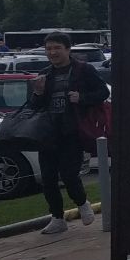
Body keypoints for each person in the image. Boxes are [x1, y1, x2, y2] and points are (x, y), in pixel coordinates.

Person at [28, 31, 109, 235]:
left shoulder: (83, 70)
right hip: (48, 133)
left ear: (68, 49)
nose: (52, 52)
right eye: (49, 49)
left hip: (73, 131)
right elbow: (34, 105)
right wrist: (38, 92)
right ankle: (57, 218)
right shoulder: (45, 74)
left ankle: (82, 203)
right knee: (48, 178)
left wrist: (82, 98)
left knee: (69, 174)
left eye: (57, 48)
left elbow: (103, 92)